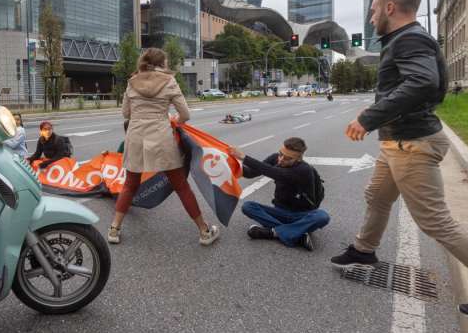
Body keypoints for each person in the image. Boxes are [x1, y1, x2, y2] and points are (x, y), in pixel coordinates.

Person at [336, 0, 468, 330]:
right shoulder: (406, 40)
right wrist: (381, 112)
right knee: (376, 196)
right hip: (399, 141)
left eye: (374, 10)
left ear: (390, 8)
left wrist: (367, 118)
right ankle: (364, 249)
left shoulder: (409, 39)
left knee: (436, 223)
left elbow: (421, 83)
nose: (371, 17)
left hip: (411, 144)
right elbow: (420, 87)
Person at [107, 48, 220, 246]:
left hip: (135, 137)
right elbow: (185, 114)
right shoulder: (169, 81)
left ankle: (114, 229)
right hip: (161, 137)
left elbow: (126, 113)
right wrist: (174, 120)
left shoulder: (132, 81)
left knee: (130, 184)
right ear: (162, 63)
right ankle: (204, 231)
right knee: (181, 186)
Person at [228, 137, 329, 251]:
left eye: (287, 158)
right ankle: (296, 234)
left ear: (298, 159)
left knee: (322, 216)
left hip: (302, 216)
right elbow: (251, 173)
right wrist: (228, 164)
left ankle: (272, 232)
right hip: (280, 212)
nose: (281, 160)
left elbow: (276, 173)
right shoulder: (275, 158)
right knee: (248, 206)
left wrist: (244, 157)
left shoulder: (304, 170)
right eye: (280, 154)